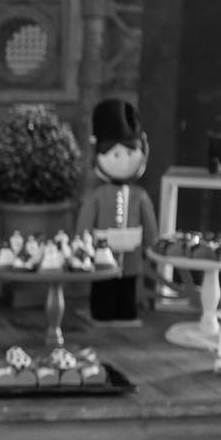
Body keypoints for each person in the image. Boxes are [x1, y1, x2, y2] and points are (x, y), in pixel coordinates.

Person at [75, 98, 158, 324]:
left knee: (128, 289)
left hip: (132, 255)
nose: (123, 163)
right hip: (102, 254)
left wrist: (153, 245)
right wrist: (81, 243)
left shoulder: (140, 195)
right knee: (103, 288)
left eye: (130, 154)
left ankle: (127, 311)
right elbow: (85, 222)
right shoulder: (97, 196)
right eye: (115, 155)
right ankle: (102, 312)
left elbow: (149, 224)